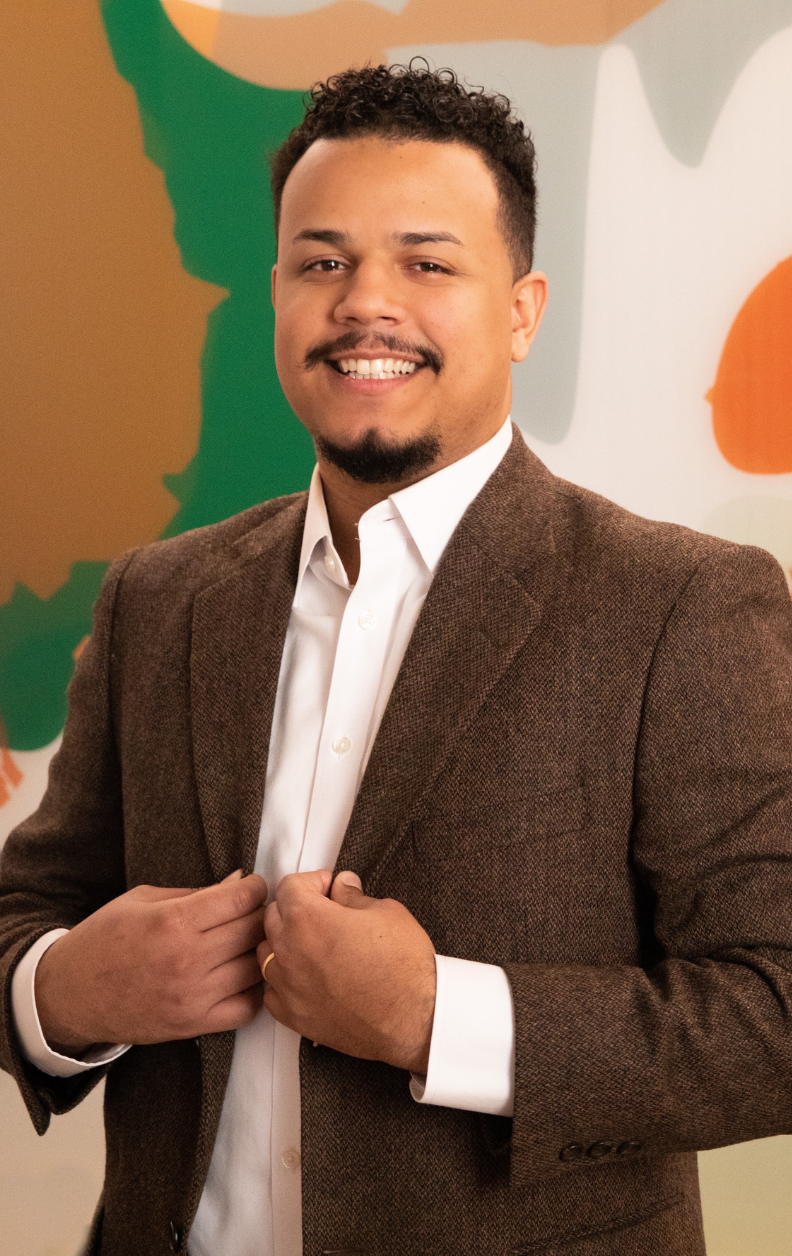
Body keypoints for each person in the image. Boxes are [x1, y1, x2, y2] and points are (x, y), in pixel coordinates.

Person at [2, 62, 792, 1256]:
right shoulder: (158, 598)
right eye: (323, 262)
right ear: (277, 293)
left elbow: (775, 1012)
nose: (367, 303)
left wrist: (443, 1017)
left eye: (428, 262)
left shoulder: (680, 604)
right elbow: (30, 909)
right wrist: (64, 990)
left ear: (523, 308)